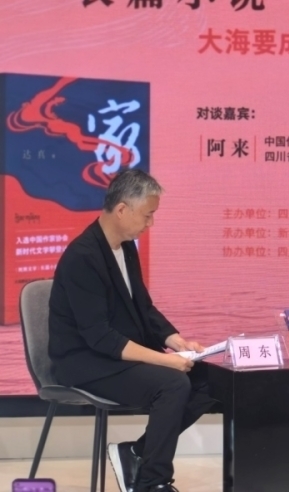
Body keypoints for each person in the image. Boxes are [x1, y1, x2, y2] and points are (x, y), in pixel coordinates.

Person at [48, 169, 214, 492]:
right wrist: (164, 361)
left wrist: (176, 341)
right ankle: (152, 482)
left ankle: (137, 453)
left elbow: (143, 307)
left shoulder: (125, 247)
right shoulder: (83, 257)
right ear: (122, 210)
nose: (151, 223)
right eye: (148, 215)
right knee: (172, 384)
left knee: (209, 380)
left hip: (112, 355)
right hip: (84, 362)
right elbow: (99, 336)